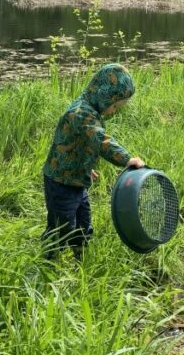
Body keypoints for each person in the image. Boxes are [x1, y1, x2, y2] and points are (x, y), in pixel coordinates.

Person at [41, 63, 145, 259]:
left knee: (83, 224)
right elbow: (100, 140)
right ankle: (49, 262)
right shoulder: (81, 113)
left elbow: (80, 143)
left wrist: (85, 167)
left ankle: (80, 258)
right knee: (61, 227)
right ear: (105, 95)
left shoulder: (91, 108)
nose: (114, 111)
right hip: (61, 183)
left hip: (77, 179)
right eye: (115, 105)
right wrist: (126, 159)